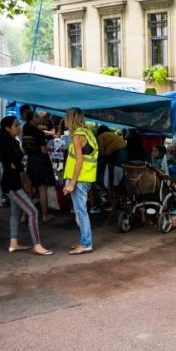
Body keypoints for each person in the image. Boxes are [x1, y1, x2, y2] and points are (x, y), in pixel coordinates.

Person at [0, 116, 52, 256]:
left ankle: (13, 243)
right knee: (33, 212)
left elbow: (15, 164)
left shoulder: (11, 141)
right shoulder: (7, 143)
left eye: (18, 124)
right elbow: (14, 165)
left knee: (15, 213)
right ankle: (37, 245)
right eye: (16, 125)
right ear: (8, 128)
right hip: (13, 184)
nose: (19, 127)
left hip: (13, 182)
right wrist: (22, 174)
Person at [63, 107, 98, 255]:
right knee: (80, 211)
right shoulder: (87, 132)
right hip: (86, 178)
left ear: (70, 119)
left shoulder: (77, 135)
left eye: (66, 117)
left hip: (79, 179)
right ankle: (84, 240)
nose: (64, 120)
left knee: (81, 212)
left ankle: (86, 243)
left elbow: (79, 162)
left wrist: (71, 184)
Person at [22, 106, 56, 223]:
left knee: (29, 189)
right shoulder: (38, 133)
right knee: (42, 189)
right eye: (36, 117)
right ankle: (45, 216)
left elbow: (24, 148)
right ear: (31, 120)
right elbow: (44, 150)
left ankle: (24, 216)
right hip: (41, 161)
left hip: (31, 160)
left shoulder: (25, 129)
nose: (39, 118)